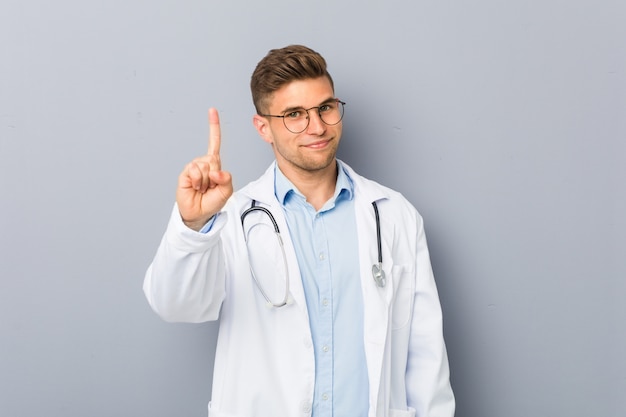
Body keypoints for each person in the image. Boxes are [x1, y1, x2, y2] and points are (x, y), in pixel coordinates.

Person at [143, 44, 455, 417]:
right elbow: (174, 305)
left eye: (325, 107)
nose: (317, 127)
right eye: (294, 114)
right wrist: (194, 226)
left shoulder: (394, 216)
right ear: (264, 128)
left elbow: (426, 362)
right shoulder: (232, 219)